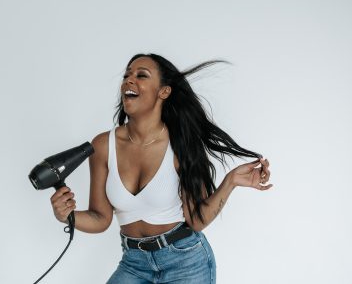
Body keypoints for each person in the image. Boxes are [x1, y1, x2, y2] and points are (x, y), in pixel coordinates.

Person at [50, 53, 272, 284]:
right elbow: (100, 218)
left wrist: (231, 181)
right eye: (127, 75)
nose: (128, 80)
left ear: (163, 91)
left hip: (185, 261)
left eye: (141, 75)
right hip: (133, 263)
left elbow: (196, 221)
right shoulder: (103, 146)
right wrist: (66, 216)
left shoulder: (181, 143)